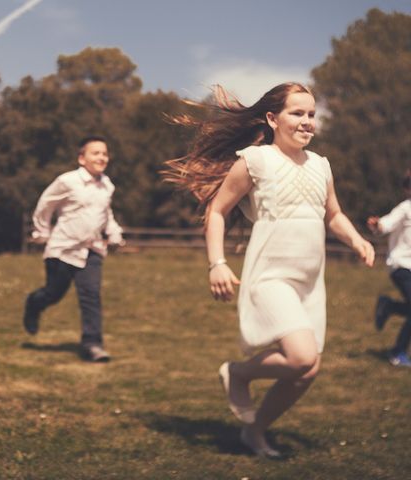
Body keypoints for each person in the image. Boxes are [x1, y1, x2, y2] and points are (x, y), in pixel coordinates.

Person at [165, 83, 374, 458]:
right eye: (297, 113)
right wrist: (217, 263)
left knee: (306, 372)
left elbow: (334, 214)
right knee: (301, 357)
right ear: (272, 118)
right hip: (271, 275)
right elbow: (217, 211)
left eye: (311, 114)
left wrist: (357, 240)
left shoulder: (321, 166)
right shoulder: (256, 160)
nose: (306, 121)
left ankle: (255, 432)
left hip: (310, 284)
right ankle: (239, 373)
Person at [23, 136, 124, 362]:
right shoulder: (67, 181)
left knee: (91, 296)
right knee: (53, 293)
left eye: (104, 154)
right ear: (82, 158)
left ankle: (92, 344)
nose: (101, 157)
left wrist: (114, 232)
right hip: (63, 249)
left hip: (92, 249)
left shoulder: (107, 185)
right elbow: (44, 205)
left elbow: (105, 215)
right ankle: (34, 303)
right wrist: (42, 233)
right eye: (95, 153)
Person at [367, 171, 411, 367]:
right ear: (407, 189)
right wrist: (378, 225)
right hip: (401, 265)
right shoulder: (405, 208)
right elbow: (388, 222)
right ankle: (397, 352)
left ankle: (389, 306)